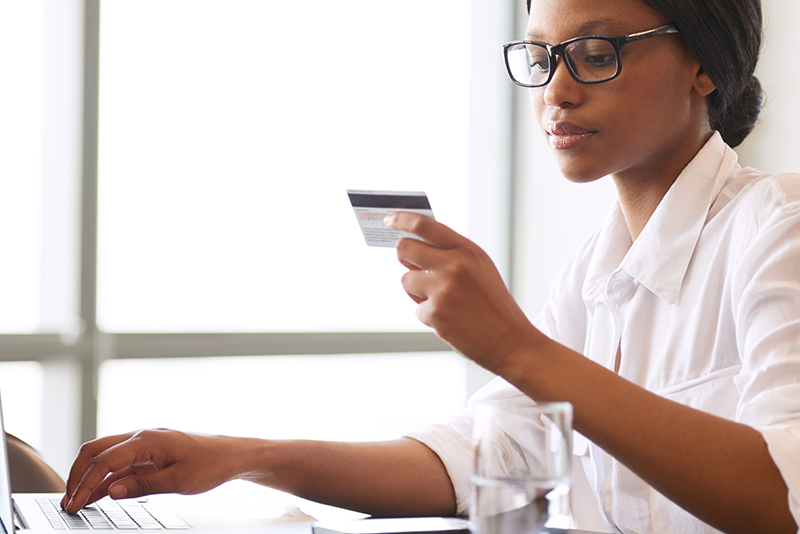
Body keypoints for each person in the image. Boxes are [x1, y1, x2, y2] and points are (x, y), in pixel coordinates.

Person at [62, 0, 800, 532]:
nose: (557, 91)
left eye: (597, 53)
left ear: (705, 63)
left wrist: (516, 347)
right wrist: (237, 456)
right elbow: (481, 458)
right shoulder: (591, 274)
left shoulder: (779, 226)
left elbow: (782, 498)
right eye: (541, 57)